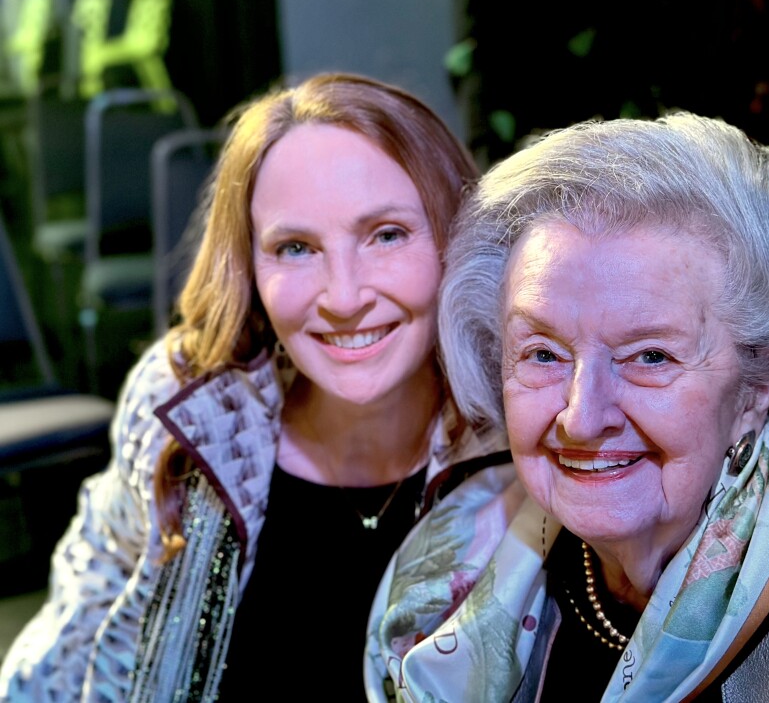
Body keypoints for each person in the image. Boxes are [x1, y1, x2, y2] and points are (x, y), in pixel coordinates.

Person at [0, 72, 512, 702]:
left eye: (387, 234)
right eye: (296, 248)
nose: (344, 298)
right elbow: (81, 615)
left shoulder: (523, 432)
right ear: (249, 268)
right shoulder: (188, 410)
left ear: (458, 239)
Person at [365, 111, 769, 702]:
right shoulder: (441, 574)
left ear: (756, 385)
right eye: (542, 353)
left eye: (651, 357)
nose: (582, 418)